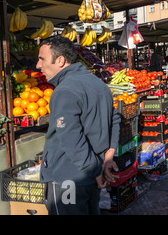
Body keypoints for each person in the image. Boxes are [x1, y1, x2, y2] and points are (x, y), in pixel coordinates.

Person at [36, 36, 121, 215]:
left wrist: (96, 170)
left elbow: (71, 138)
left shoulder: (64, 90)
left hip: (68, 179)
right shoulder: (99, 84)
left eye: (42, 58)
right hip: (90, 179)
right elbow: (114, 119)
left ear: (60, 60)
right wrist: (108, 155)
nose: (38, 65)